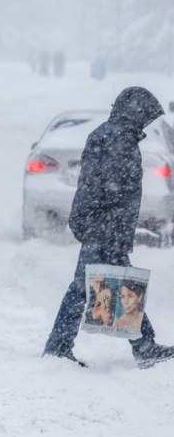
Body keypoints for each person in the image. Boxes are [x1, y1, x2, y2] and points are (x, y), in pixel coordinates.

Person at [43, 87, 174, 368]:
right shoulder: (118, 139)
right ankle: (59, 348)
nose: (146, 124)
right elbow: (109, 189)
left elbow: (99, 187)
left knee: (116, 283)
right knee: (88, 288)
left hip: (102, 226)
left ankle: (143, 345)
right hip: (104, 228)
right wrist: (106, 229)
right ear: (134, 113)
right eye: (146, 117)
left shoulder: (111, 134)